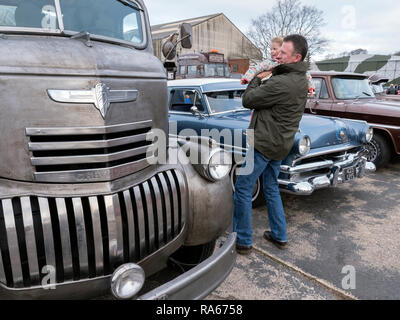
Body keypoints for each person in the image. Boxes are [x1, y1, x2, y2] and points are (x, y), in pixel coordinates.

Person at [234, 34, 310, 254]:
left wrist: (256, 76)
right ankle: (279, 235)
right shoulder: (301, 79)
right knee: (271, 188)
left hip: (264, 144)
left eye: (283, 53)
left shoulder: (281, 82)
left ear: (296, 57)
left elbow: (248, 100)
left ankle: (243, 240)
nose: (278, 55)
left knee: (243, 189)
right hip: (281, 145)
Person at [241, 37, 315, 94]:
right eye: (271, 49)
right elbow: (255, 68)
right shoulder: (268, 63)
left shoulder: (290, 64)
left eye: (274, 49)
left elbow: (306, 73)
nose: (272, 51)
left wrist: (310, 87)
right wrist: (247, 78)